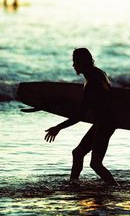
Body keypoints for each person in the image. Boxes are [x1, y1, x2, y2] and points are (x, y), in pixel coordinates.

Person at [44, 48, 117, 185]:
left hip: (105, 124)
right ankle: (73, 183)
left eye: (75, 62)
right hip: (104, 122)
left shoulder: (92, 83)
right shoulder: (99, 73)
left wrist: (58, 128)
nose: (73, 65)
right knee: (77, 153)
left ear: (81, 62)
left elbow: (79, 115)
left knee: (95, 164)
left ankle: (115, 188)